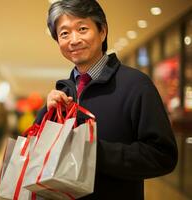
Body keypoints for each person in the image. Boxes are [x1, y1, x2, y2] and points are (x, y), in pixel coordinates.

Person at [34, 0, 178, 199]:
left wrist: (93, 151)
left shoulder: (136, 84)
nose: (73, 40)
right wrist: (46, 114)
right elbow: (38, 150)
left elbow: (162, 156)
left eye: (82, 28)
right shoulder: (63, 90)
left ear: (102, 31)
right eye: (64, 33)